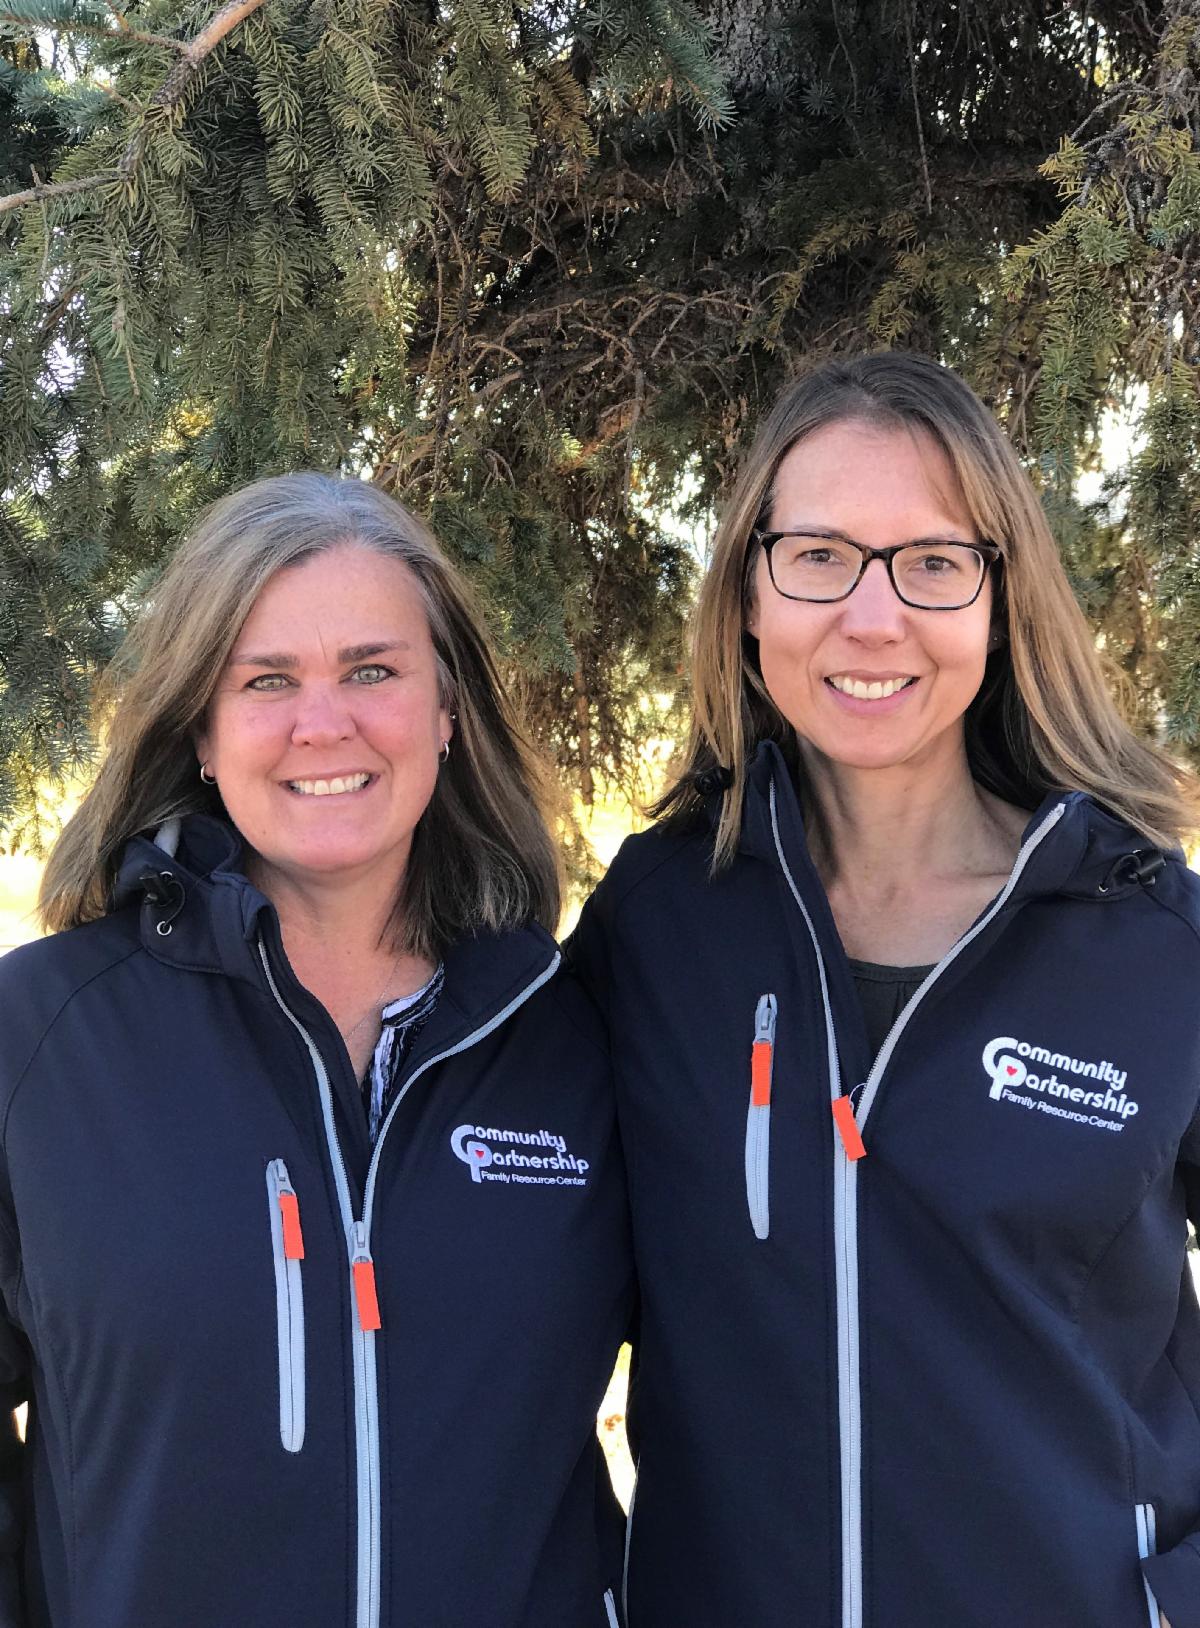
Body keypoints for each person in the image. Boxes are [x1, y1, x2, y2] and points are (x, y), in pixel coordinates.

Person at [570, 353, 1200, 1628]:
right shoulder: (659, 921)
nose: (872, 616)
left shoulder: (1148, 939)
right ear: (749, 592)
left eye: (931, 561)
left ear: (999, 601)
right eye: (818, 555)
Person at [0, 473, 632, 1628]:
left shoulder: (571, 1034)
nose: (323, 722)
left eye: (373, 669)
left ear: (446, 709)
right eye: (267, 679)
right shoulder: (38, 1036)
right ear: (201, 726)